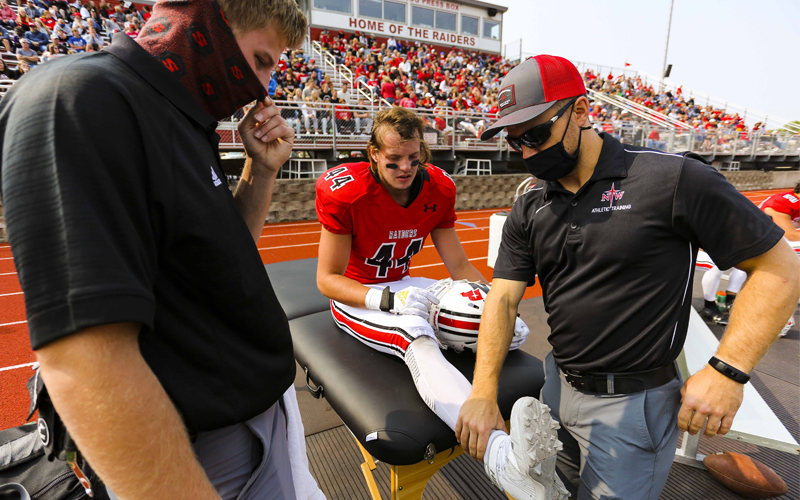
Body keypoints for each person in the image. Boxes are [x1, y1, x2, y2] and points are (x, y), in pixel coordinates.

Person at [0, 1, 326, 499]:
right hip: (199, 454)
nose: (263, 87)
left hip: (258, 421)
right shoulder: (82, 99)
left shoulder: (179, 115)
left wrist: (260, 173)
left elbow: (217, 260)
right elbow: (87, 363)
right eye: (261, 61)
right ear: (208, 18)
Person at [460, 55, 799, 500]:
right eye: (514, 141)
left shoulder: (673, 180)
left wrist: (728, 371)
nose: (527, 153)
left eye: (537, 134)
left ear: (581, 111)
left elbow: (780, 267)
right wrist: (483, 390)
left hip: (634, 406)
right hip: (557, 389)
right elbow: (502, 300)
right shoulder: (530, 207)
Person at [314, 106, 567, 500]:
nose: (405, 168)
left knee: (509, 327)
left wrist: (493, 303)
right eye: (394, 159)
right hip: (359, 292)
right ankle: (503, 459)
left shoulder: (438, 188)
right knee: (413, 334)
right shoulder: (349, 191)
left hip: (405, 282)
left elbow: (460, 265)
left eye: (414, 159)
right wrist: (385, 298)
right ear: (373, 154)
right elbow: (326, 280)